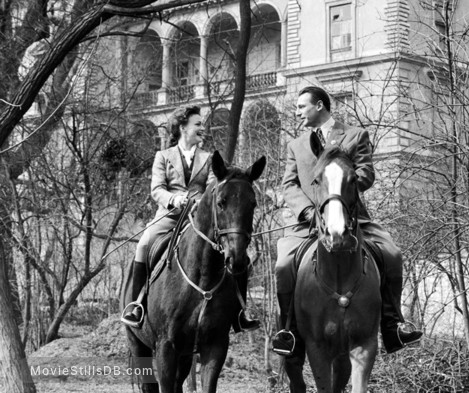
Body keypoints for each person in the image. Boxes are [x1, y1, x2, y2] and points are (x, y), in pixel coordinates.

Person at [272, 86, 422, 355]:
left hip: (353, 218)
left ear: (319, 106)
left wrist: (342, 189)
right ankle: (288, 330)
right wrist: (308, 211)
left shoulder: (355, 136)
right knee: (283, 264)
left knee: (392, 253)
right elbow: (289, 185)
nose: (297, 113)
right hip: (309, 223)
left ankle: (393, 324)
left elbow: (366, 173)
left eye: (301, 107)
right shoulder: (295, 145)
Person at [121, 105, 259, 332]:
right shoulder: (163, 156)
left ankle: (240, 313)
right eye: (197, 124)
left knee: (239, 251)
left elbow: (215, 188)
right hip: (169, 216)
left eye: (202, 124)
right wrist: (174, 200)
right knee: (145, 244)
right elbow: (156, 189)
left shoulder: (209, 158)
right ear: (182, 127)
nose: (202, 128)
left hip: (199, 219)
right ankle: (136, 304)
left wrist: (199, 202)